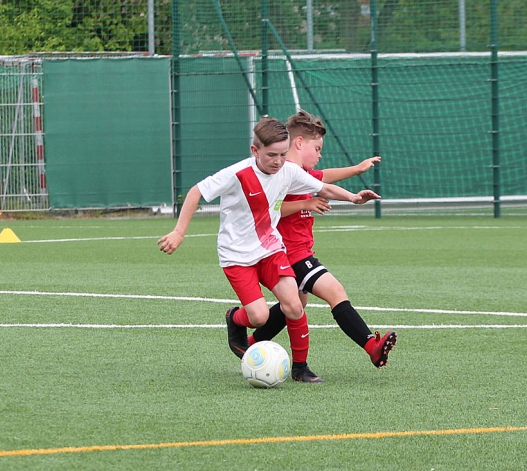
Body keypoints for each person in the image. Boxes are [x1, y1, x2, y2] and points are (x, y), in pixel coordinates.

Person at [158, 117, 379, 383]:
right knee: (260, 316)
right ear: (255, 151)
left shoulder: (288, 170)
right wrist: (179, 232)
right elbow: (196, 192)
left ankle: (300, 368)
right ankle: (235, 319)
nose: (278, 161)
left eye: (283, 154)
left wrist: (353, 198)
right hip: (237, 256)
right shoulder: (238, 173)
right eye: (272, 155)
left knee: (294, 304)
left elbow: (324, 187)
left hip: (271, 249)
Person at [226, 110, 397, 373]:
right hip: (288, 252)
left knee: (296, 304)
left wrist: (356, 174)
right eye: (317, 149)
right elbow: (270, 210)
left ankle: (252, 343)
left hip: (300, 250)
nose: (319, 155)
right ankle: (370, 346)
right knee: (334, 292)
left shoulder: (299, 172)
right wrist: (306, 203)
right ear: (299, 143)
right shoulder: (283, 172)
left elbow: (324, 178)